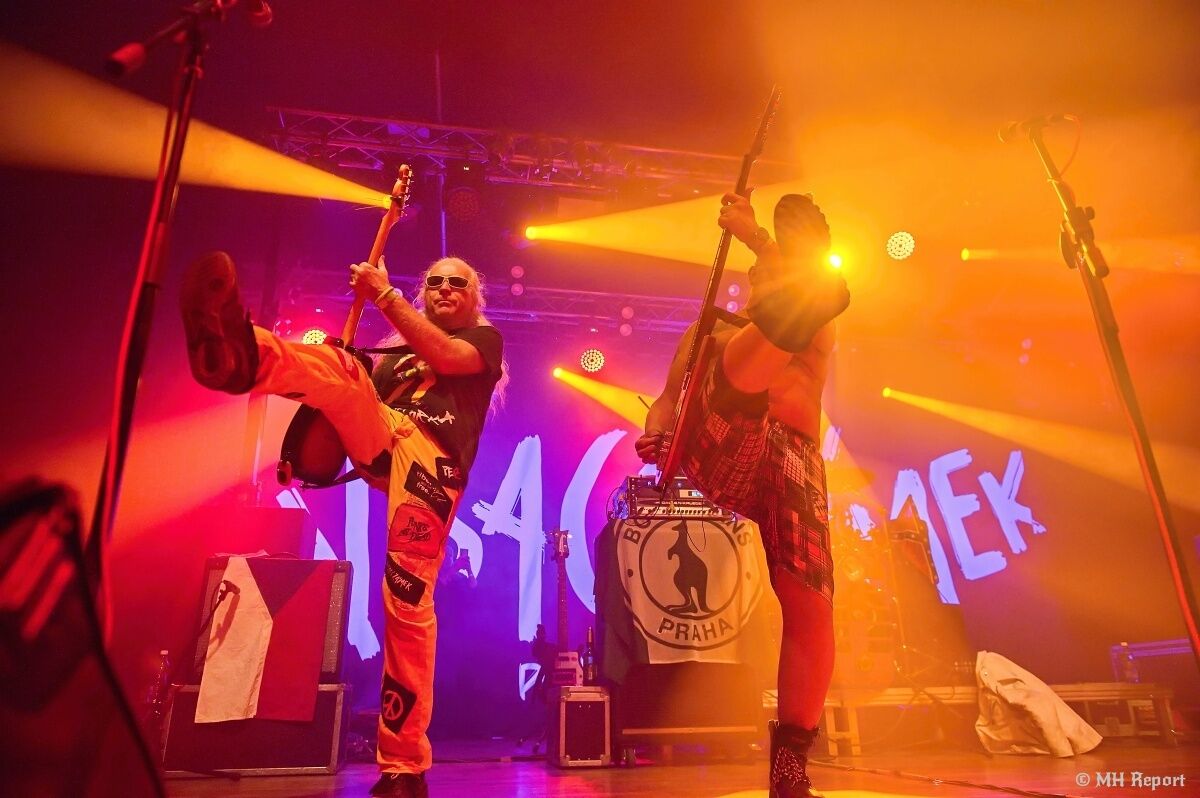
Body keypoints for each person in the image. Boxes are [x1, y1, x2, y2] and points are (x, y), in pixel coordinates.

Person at [180, 251, 504, 798]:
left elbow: (447, 356)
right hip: (383, 436)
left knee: (406, 601)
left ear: (476, 297)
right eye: (435, 281)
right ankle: (242, 355)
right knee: (345, 368)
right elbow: (345, 404)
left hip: (432, 466)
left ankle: (403, 766)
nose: (446, 288)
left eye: (458, 283)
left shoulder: (484, 341)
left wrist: (384, 295)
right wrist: (331, 379)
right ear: (424, 292)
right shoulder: (394, 358)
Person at [635, 191, 849, 798]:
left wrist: (757, 235)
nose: (766, 269)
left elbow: (810, 294)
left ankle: (791, 763)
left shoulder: (819, 323)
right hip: (727, 440)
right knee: (735, 366)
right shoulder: (710, 330)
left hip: (794, 456)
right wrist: (654, 435)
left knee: (810, 601)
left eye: (779, 265)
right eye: (763, 269)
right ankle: (773, 328)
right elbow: (668, 400)